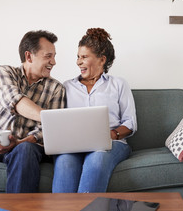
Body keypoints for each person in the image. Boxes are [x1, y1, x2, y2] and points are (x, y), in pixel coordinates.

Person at [0, 30, 66, 193]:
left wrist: (20, 142)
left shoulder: (56, 88)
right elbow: (15, 101)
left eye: (54, 56)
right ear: (29, 56)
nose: (54, 62)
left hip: (26, 145)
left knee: (25, 150)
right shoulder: (4, 72)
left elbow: (47, 131)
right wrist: (50, 117)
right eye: (48, 56)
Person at [52, 28, 137, 193]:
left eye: (84, 57)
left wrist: (111, 135)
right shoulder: (66, 87)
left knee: (98, 157)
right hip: (74, 145)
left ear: (102, 60)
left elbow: (130, 122)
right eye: (78, 57)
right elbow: (57, 121)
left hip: (111, 143)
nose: (78, 62)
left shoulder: (118, 84)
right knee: (64, 162)